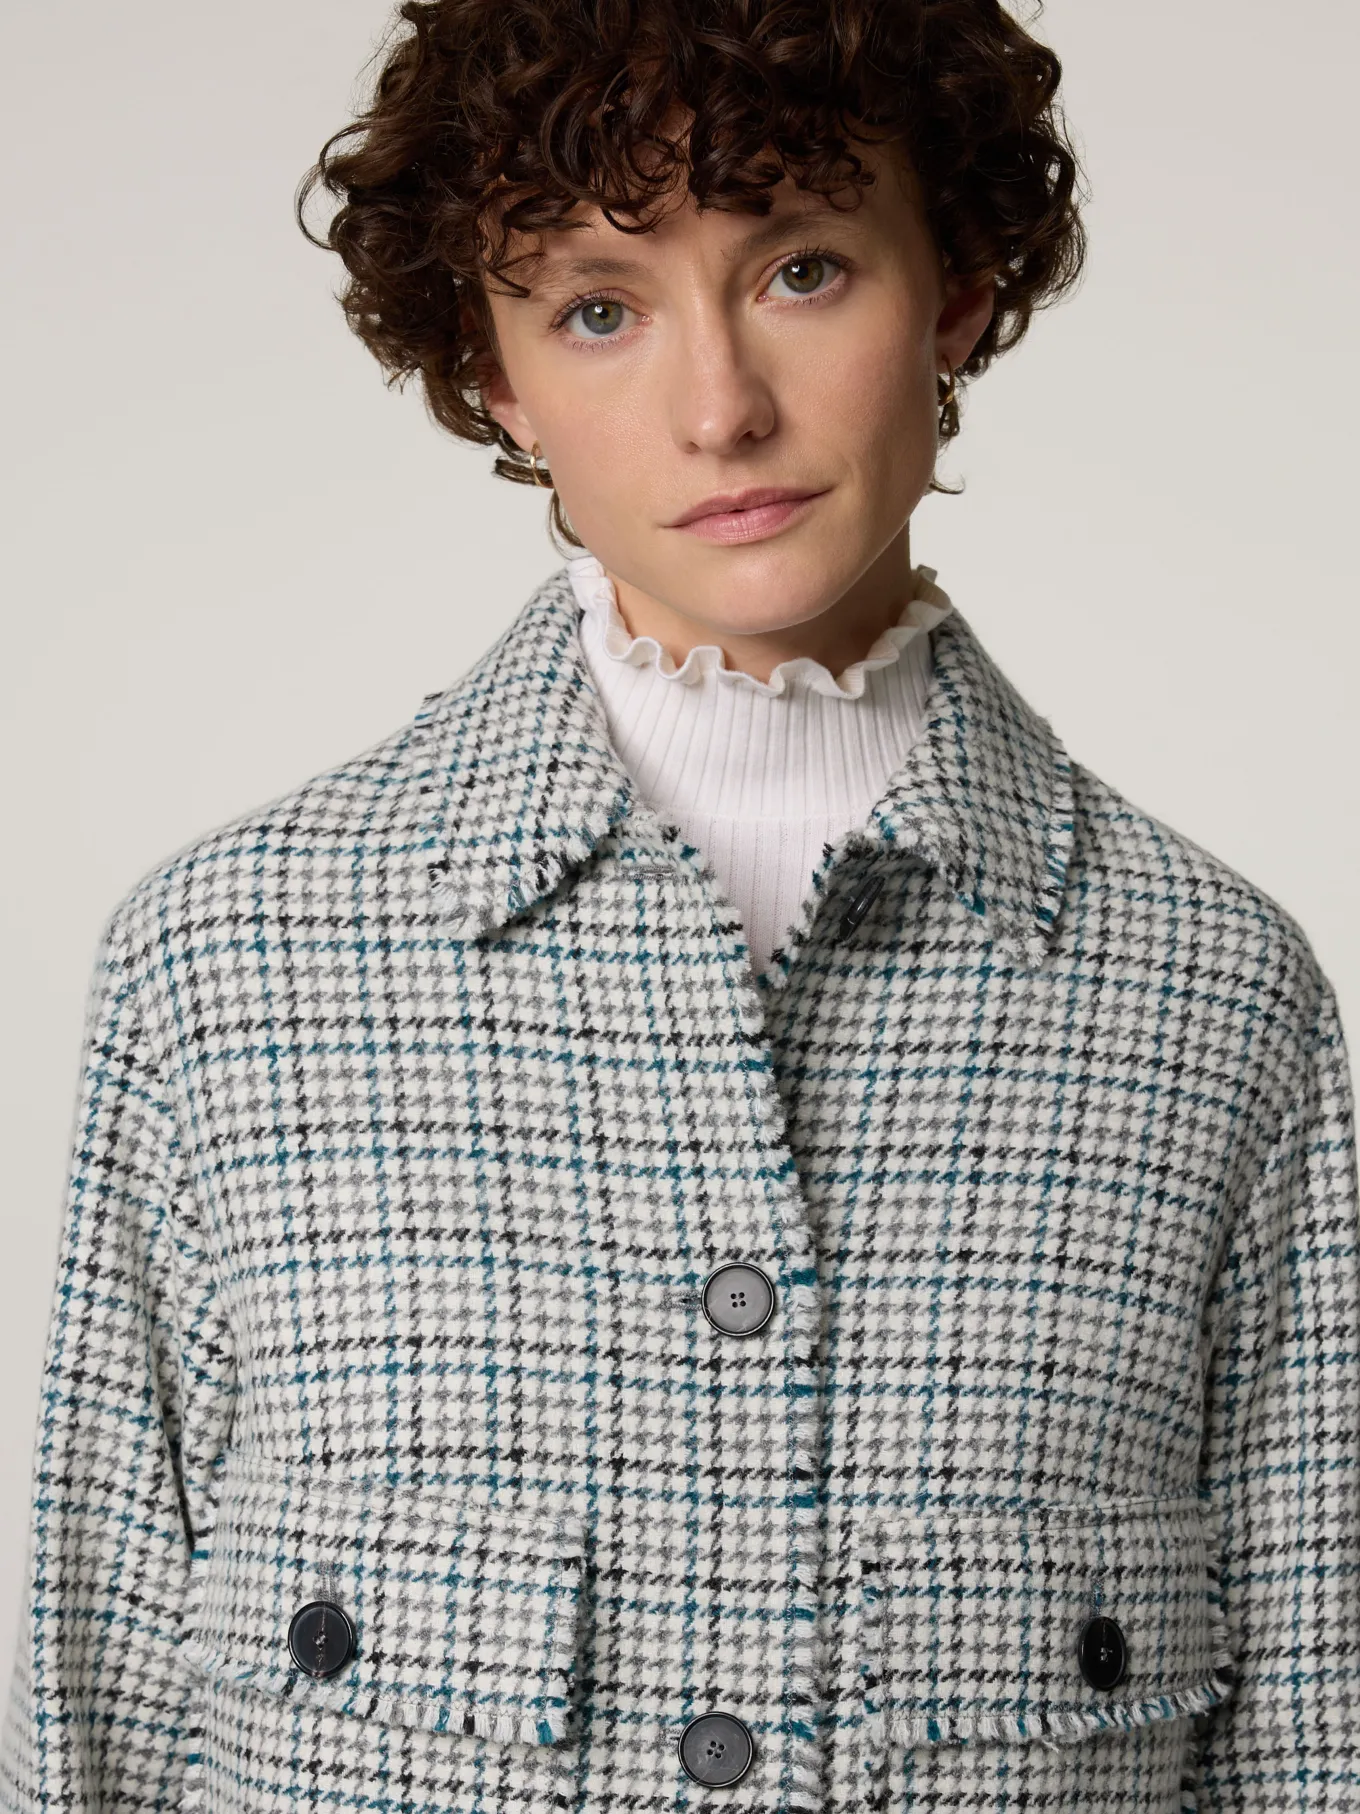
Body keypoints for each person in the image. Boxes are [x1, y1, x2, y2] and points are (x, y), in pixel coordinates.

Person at [3, 0, 1356, 1809]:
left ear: (955, 292)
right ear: (493, 374)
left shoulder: (1217, 1002)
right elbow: (95, 1732)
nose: (721, 409)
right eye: (597, 308)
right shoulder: (225, 971)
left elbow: (1310, 1748)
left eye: (803, 270)